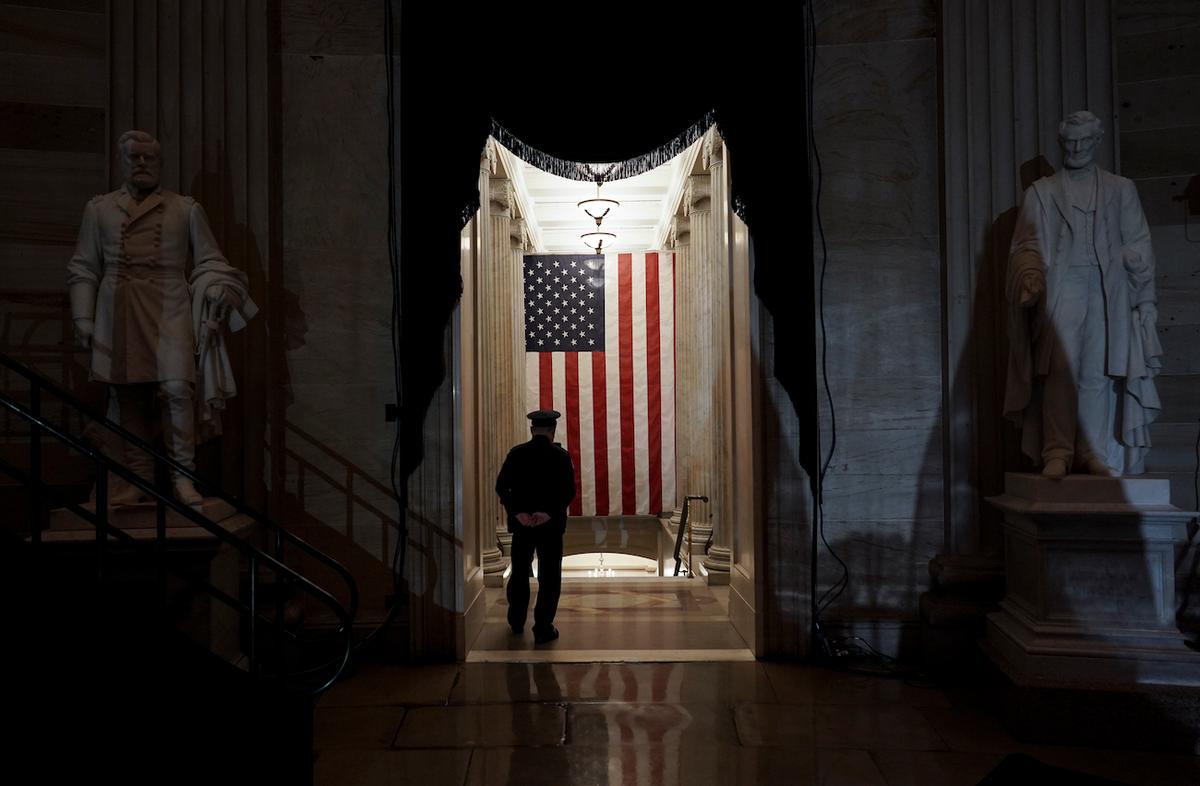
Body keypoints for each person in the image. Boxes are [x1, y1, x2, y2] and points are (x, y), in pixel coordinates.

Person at [67, 130, 252, 507]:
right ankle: (139, 481)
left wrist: (217, 285)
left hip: (169, 307)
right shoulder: (99, 209)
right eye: (134, 157)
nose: (142, 164)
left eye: (149, 158)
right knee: (128, 394)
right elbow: (84, 267)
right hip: (118, 310)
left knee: (176, 390)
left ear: (160, 163)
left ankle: (183, 478)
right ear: (123, 162)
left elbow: (210, 259)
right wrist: (83, 317)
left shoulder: (185, 209)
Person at [1003, 110, 1161, 478]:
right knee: (1060, 370)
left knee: (1098, 373)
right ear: (1061, 143)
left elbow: (1140, 242)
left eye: (1083, 141)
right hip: (1063, 287)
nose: (1075, 148)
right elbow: (1025, 244)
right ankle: (1057, 450)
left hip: (1109, 291)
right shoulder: (1040, 193)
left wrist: (1145, 298)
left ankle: (1092, 451)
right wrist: (1029, 274)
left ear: (1096, 141)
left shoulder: (1120, 189)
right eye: (1069, 142)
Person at [495, 409, 576, 644]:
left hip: (522, 526)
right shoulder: (561, 457)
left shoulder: (516, 454)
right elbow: (568, 491)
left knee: (520, 571)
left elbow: (502, 487)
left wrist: (518, 513)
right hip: (550, 528)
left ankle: (517, 619)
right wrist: (547, 514)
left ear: (532, 430)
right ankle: (542, 627)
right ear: (553, 431)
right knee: (550, 577)